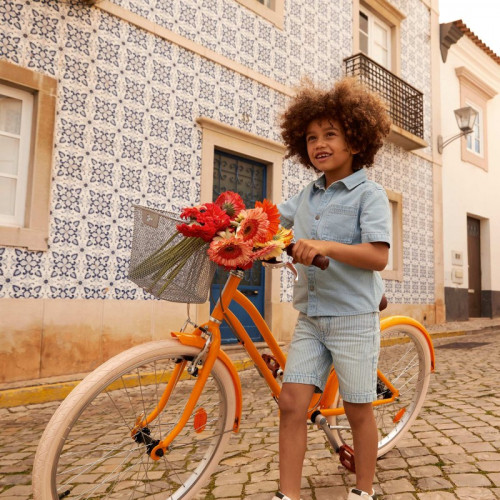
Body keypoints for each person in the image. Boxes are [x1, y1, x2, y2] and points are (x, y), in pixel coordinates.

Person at [273, 77, 392, 500]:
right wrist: (228, 224)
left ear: (355, 140)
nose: (319, 144)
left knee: (359, 408)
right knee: (291, 403)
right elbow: (272, 220)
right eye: (310, 137)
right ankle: (286, 495)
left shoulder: (370, 195)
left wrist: (324, 246)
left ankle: (362, 492)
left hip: (353, 318)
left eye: (330, 135)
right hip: (312, 317)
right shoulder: (306, 196)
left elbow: (378, 257)